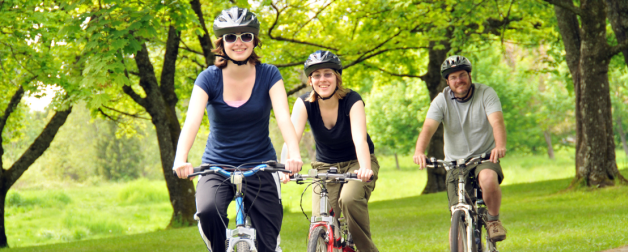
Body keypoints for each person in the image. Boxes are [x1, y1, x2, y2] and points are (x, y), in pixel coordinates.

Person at [172, 7, 303, 252]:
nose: (239, 42)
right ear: (222, 43)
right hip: (217, 166)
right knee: (209, 211)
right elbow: (192, 120)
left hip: (261, 164)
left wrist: (293, 155)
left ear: (255, 40)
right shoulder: (208, 78)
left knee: (268, 243)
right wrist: (181, 158)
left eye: (246, 36)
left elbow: (284, 117)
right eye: (231, 36)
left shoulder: (269, 74)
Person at [282, 50, 379, 251]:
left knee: (349, 199)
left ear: (337, 77)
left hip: (357, 162)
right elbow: (291, 138)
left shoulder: (352, 100)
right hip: (325, 166)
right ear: (310, 80)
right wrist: (285, 166)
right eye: (316, 75)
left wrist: (365, 169)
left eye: (328, 74)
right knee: (319, 218)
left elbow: (359, 139)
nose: (322, 79)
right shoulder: (304, 104)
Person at [412, 55, 507, 243]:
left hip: (484, 157)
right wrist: (419, 151)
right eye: (453, 77)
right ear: (447, 81)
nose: (459, 80)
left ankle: (493, 220)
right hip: (455, 163)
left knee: (488, 180)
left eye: (462, 75)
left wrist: (500, 145)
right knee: (457, 215)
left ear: (470, 75)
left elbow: (496, 121)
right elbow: (428, 127)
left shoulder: (486, 93)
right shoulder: (441, 100)